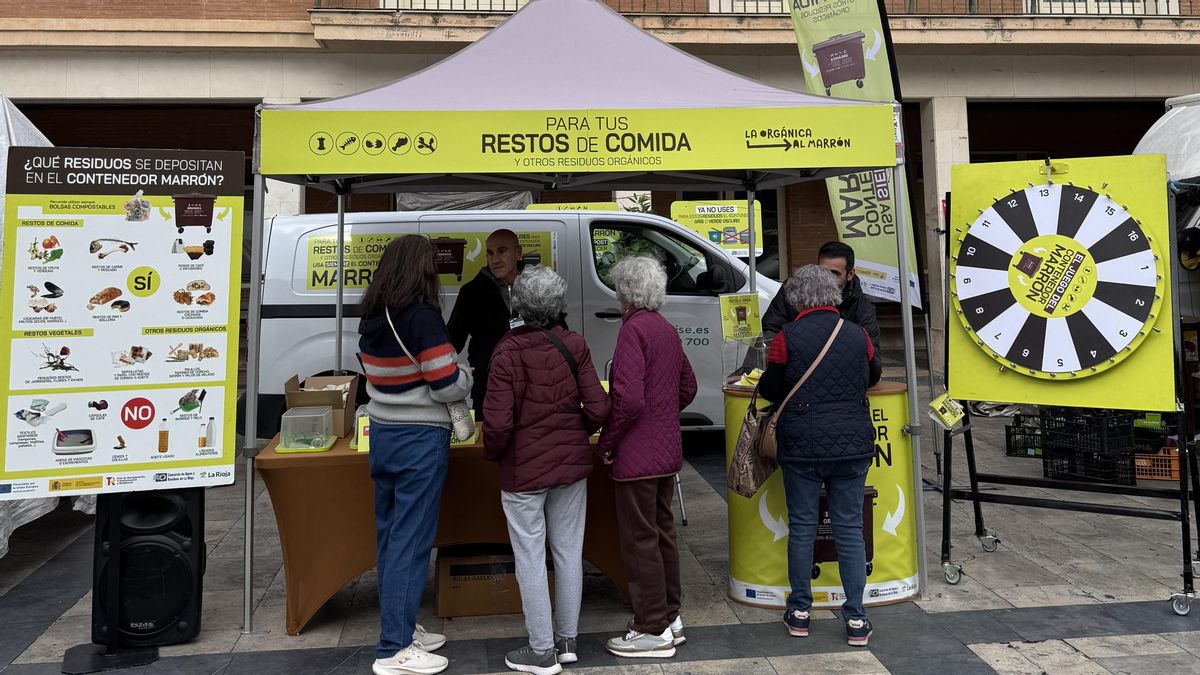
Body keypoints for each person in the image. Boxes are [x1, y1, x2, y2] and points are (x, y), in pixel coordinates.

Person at [483, 266, 610, 675]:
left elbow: (498, 424)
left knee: (530, 557)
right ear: (558, 305)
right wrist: (578, 431)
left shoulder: (506, 351)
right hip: (571, 466)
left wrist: (496, 453)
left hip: (523, 472)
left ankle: (541, 650)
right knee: (570, 552)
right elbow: (600, 408)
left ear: (518, 304)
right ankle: (567, 641)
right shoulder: (574, 343)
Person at [358, 235, 473, 675]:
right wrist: (465, 375)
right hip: (420, 439)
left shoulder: (372, 312)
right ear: (422, 270)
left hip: (383, 433)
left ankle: (401, 627)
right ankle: (393, 649)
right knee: (411, 541)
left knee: (391, 539)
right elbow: (446, 384)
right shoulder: (423, 317)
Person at [758, 265, 882, 648]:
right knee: (849, 529)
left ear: (797, 299)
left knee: (803, 527)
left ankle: (799, 612)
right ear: (834, 295)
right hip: (853, 443)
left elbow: (770, 388)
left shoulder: (785, 337)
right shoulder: (858, 335)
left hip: (802, 445)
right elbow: (873, 376)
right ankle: (857, 618)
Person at [598, 255, 697, 659]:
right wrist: (662, 413)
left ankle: (651, 626)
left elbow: (629, 399)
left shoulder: (632, 331)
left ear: (624, 293)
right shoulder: (665, 329)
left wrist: (608, 442)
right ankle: (670, 616)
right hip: (666, 449)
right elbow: (687, 387)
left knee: (640, 540)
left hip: (636, 454)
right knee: (662, 533)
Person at [447, 228, 524, 421]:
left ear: (518, 253)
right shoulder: (472, 292)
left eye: (502, 251)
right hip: (489, 388)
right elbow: (452, 341)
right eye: (490, 253)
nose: (494, 259)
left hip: (532, 386)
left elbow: (557, 330)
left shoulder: (537, 285)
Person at [760, 241, 881, 350]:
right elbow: (770, 332)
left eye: (834, 273)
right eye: (823, 271)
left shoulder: (861, 306)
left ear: (850, 274)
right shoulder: (793, 290)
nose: (827, 279)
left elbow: (871, 354)